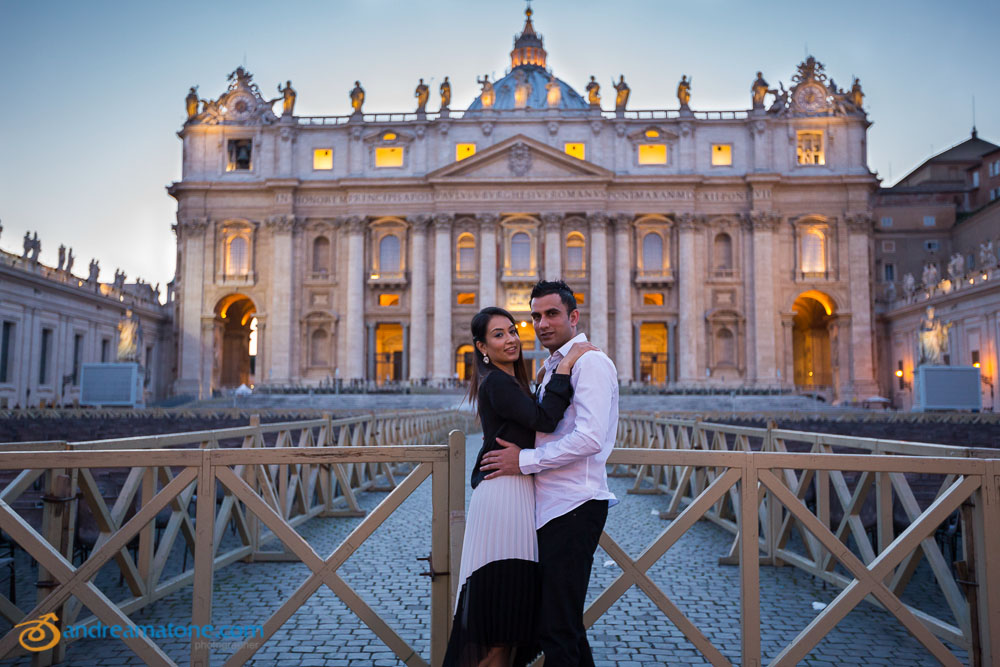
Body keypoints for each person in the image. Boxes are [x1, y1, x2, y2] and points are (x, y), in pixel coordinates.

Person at [445, 306, 597, 667]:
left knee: (508, 622)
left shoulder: (508, 381)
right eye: (499, 335)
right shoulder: (497, 382)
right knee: (500, 627)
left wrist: (545, 375)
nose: (510, 339)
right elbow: (543, 420)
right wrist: (564, 365)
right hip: (504, 499)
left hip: (514, 495)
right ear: (482, 347)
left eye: (512, 331)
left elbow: (528, 420)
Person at [481, 280, 619, 667]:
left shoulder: (589, 363)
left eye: (552, 314)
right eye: (536, 316)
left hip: (575, 504)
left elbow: (590, 438)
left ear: (573, 317)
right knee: (562, 625)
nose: (542, 324)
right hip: (550, 508)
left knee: (557, 627)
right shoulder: (552, 367)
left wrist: (522, 461)